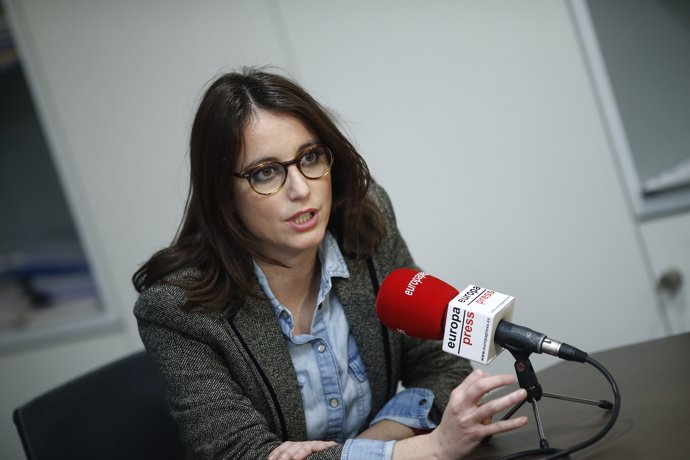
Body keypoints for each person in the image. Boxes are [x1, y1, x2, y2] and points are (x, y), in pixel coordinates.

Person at [132, 67, 528, 460]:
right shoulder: (177, 309)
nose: (301, 189)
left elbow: (440, 364)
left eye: (310, 157)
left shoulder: (364, 225)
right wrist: (431, 448)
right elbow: (240, 454)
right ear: (223, 193)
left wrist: (374, 443)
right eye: (266, 173)